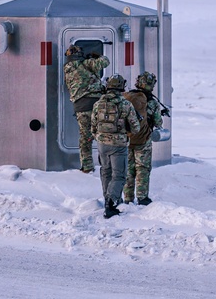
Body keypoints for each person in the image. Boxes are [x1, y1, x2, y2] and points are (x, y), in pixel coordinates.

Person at [90, 74, 140, 218]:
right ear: (121, 87)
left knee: (106, 171)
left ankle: (108, 198)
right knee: (119, 175)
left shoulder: (98, 104)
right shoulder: (126, 104)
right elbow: (135, 128)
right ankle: (111, 203)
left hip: (102, 144)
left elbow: (93, 126)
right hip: (119, 144)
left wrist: (100, 137)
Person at [63, 45, 110, 173]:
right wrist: (98, 56)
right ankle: (107, 163)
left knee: (85, 137)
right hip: (96, 104)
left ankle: (87, 166)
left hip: (80, 107)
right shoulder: (87, 63)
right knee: (104, 133)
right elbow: (106, 61)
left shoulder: (67, 69)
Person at [122, 71, 165, 206]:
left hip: (126, 139)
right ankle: (142, 197)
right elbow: (158, 122)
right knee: (143, 168)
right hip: (143, 140)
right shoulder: (152, 102)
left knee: (128, 169)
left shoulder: (127, 97)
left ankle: (128, 198)